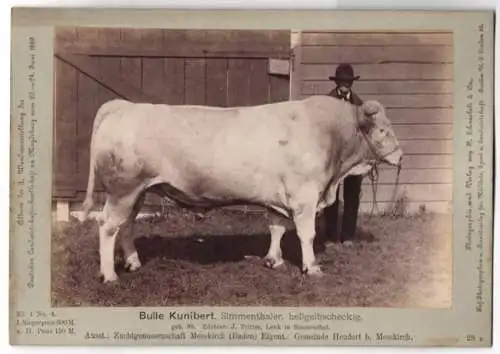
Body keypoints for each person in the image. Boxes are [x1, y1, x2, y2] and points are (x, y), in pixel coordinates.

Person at [322, 63, 374, 246]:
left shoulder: (359, 105)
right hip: (334, 158)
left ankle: (348, 236)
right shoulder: (327, 103)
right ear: (337, 82)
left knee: (352, 195)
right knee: (331, 196)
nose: (345, 85)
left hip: (353, 158)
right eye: (342, 82)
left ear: (352, 83)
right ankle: (330, 235)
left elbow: (366, 133)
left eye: (348, 82)